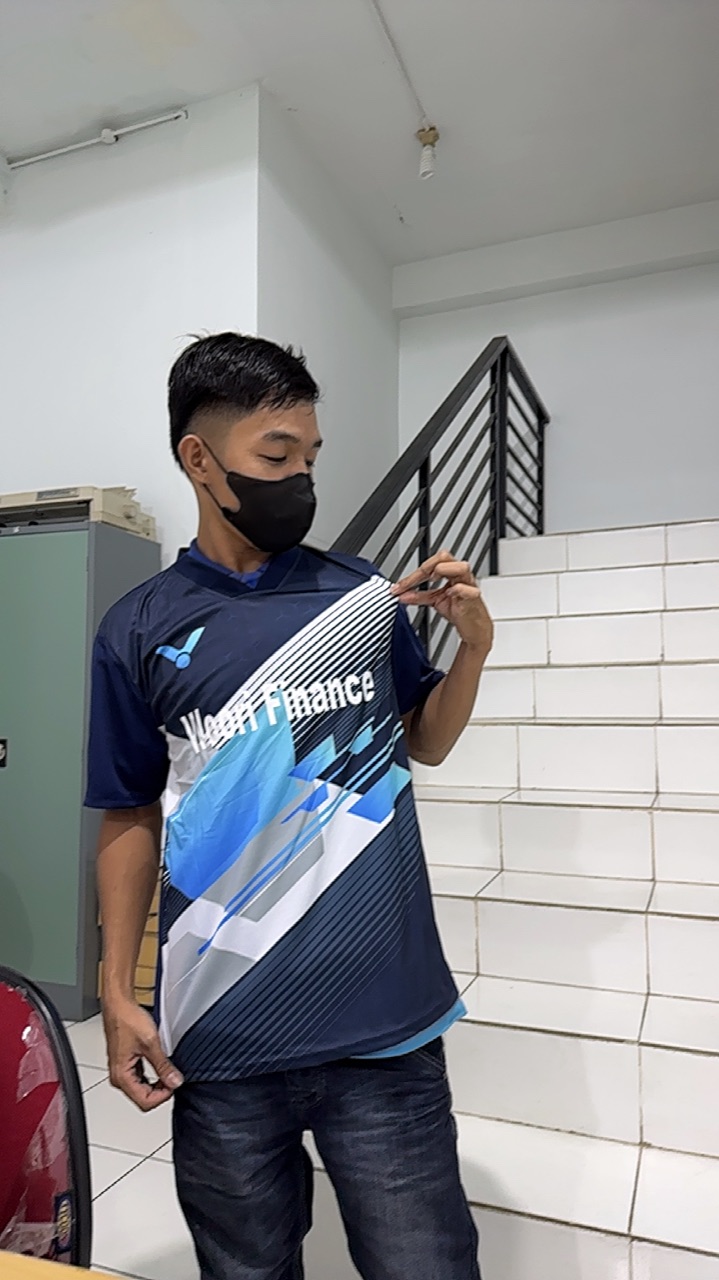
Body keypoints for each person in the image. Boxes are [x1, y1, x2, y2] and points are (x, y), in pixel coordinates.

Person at [85, 333, 494, 1280]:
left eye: (309, 457)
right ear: (199, 459)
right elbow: (127, 812)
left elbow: (425, 740)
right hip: (220, 1028)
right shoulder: (137, 627)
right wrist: (114, 990)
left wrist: (471, 649)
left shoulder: (359, 595)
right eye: (276, 457)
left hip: (385, 1021)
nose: (300, 480)